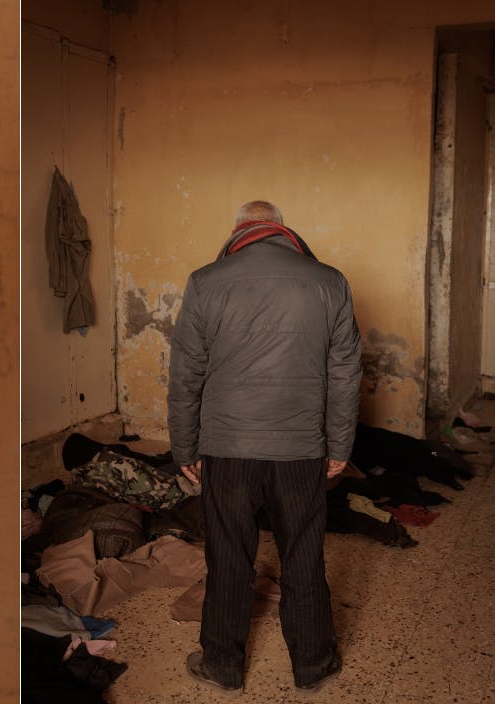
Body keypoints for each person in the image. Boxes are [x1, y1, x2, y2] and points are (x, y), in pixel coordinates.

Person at [168, 200, 361, 694]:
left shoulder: (205, 281)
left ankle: (222, 666)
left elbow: (186, 377)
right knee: (303, 555)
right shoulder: (330, 281)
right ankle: (314, 666)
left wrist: (184, 447)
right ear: (281, 228)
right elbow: (345, 377)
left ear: (238, 231)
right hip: (301, 450)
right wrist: (339, 445)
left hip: (227, 448)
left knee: (229, 555)